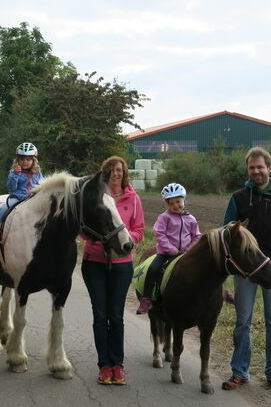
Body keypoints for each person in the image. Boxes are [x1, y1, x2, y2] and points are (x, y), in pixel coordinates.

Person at [221, 147, 271, 393]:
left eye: (260, 167)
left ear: (269, 168)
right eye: (252, 168)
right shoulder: (239, 197)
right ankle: (239, 372)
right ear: (249, 170)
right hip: (246, 269)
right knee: (243, 321)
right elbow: (227, 233)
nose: (256, 171)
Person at [81, 156, 144, 385]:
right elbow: (83, 229)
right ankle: (104, 366)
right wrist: (100, 239)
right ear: (104, 173)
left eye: (119, 169)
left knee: (116, 316)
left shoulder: (133, 198)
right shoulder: (95, 197)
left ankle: (118, 365)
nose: (116, 173)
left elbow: (139, 229)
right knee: (100, 315)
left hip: (121, 265)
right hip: (94, 262)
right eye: (111, 170)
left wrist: (126, 240)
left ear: (124, 173)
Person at [136, 182, 201, 314]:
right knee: (153, 269)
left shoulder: (191, 219)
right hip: (166, 253)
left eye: (178, 201)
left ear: (184, 200)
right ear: (167, 204)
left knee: (205, 268)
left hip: (186, 253)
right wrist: (172, 250)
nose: (175, 205)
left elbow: (196, 236)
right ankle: (146, 298)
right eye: (171, 203)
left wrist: (193, 248)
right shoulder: (164, 217)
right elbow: (160, 234)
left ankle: (222, 292)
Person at [0, 142, 43, 243]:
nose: (25, 162)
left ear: (33, 161)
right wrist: (16, 174)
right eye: (22, 159)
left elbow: (42, 184)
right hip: (17, 197)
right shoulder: (13, 172)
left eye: (28, 159)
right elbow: (11, 187)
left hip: (33, 198)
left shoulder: (37, 173)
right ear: (18, 160)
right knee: (3, 209)